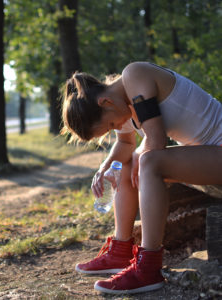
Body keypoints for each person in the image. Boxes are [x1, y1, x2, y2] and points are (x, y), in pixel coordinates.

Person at [60, 61, 222, 295]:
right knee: (125, 164)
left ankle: (148, 268)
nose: (116, 127)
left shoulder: (135, 75)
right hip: (210, 155)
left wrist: (137, 156)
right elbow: (126, 145)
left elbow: (155, 141)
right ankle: (120, 250)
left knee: (148, 161)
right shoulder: (122, 100)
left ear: (105, 103)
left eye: (111, 125)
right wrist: (105, 167)